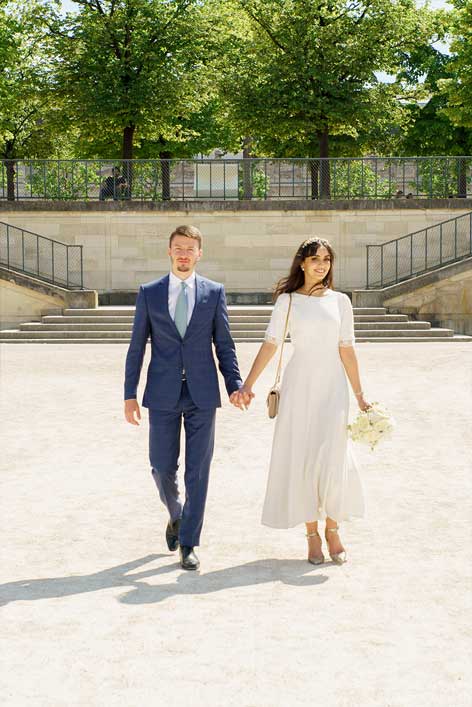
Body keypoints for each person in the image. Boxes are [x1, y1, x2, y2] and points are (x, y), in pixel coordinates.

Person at [123, 225, 251, 571]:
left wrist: (235, 384)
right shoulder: (149, 293)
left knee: (198, 471)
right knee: (161, 467)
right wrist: (128, 395)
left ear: (199, 253)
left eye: (190, 248)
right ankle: (177, 514)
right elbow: (137, 347)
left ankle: (189, 543)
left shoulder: (213, 292)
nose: (183, 254)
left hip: (202, 394)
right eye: (178, 248)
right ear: (169, 251)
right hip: (162, 394)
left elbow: (224, 344)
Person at [236, 237, 370, 565]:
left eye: (326, 259)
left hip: (333, 386)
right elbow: (271, 344)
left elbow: (347, 349)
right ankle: (312, 533)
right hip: (299, 385)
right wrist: (248, 384)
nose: (321, 265)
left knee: (334, 456)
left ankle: (333, 528)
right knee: (305, 457)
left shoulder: (341, 302)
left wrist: (360, 395)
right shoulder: (288, 302)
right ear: (302, 263)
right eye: (314, 259)